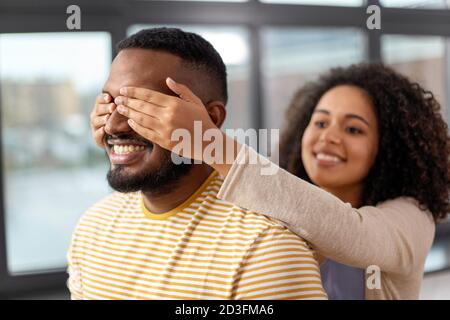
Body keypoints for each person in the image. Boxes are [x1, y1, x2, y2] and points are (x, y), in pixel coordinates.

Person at [91, 62, 450, 299]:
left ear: (389, 147)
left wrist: (206, 141)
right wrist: (125, 142)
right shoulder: (278, 195)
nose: (328, 137)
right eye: (321, 122)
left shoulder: (411, 218)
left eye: (354, 128)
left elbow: (348, 231)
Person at [69, 27, 327, 300]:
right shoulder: (91, 229)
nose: (113, 125)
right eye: (110, 103)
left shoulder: (264, 250)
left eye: (141, 106)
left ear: (211, 120)